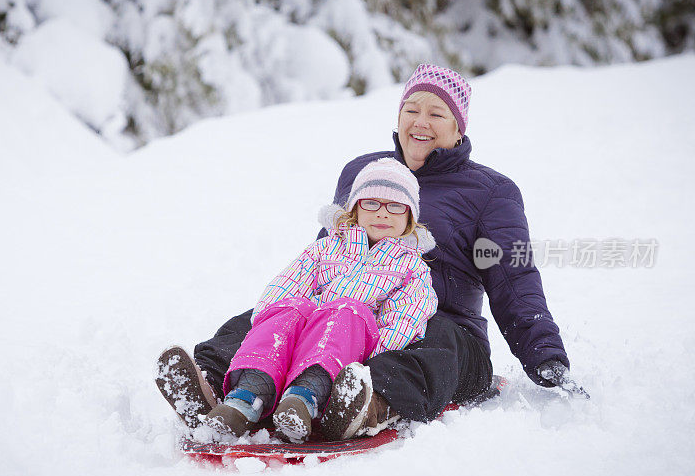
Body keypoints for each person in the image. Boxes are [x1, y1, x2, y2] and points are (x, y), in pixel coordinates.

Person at [156, 63, 584, 443]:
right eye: (412, 109)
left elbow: (515, 280)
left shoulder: (491, 192)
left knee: (439, 342)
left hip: (442, 327)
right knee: (280, 313)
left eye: (437, 114)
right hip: (348, 311)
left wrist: (548, 364)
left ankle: (362, 401)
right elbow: (326, 254)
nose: (421, 121)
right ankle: (211, 384)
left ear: (459, 129)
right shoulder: (362, 172)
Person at [164, 158, 437, 442]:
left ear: (409, 217)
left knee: (348, 311)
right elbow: (288, 284)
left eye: (394, 206)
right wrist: (272, 320)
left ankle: (302, 400)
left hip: (350, 345)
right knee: (290, 307)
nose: (382, 213)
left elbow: (406, 319)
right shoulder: (328, 247)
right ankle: (244, 398)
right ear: (355, 207)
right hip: (304, 334)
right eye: (371, 203)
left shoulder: (412, 268)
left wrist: (369, 360)